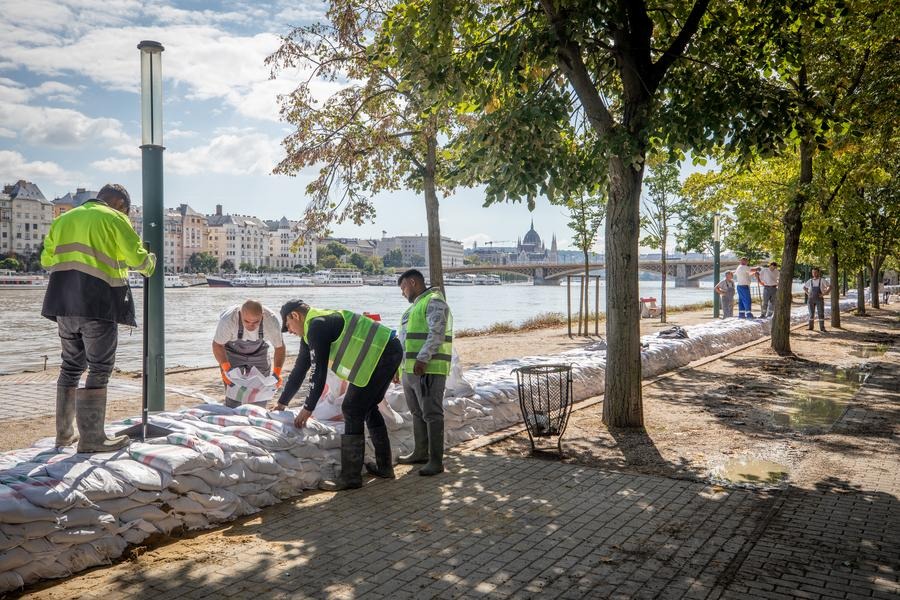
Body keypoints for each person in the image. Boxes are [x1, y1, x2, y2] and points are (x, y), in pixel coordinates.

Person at [40, 184, 156, 453]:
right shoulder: (115, 219)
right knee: (99, 368)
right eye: (126, 211)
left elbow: (47, 259)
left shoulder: (63, 219)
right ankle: (92, 438)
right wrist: (150, 262)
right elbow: (137, 259)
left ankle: (64, 435)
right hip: (97, 304)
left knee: (69, 367)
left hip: (63, 305)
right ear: (120, 204)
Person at [273, 300, 403, 490]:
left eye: (288, 326)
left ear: (295, 316)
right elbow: (300, 369)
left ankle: (351, 477)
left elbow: (318, 374)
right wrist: (282, 402)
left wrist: (308, 408)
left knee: (351, 408)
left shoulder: (317, 326)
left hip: (382, 355)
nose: (290, 331)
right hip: (386, 351)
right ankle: (384, 467)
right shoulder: (312, 330)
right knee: (367, 407)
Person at [395, 269, 453, 476]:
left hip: (427, 369)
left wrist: (423, 358)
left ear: (413, 282)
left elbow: (436, 333)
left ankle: (436, 460)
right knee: (417, 412)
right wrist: (397, 366)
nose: (402, 292)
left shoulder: (434, 301)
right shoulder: (413, 309)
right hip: (410, 370)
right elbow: (404, 340)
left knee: (432, 413)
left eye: (403, 287)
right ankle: (420, 452)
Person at [212, 300, 286, 407]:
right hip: (232, 351)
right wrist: (226, 369)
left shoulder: (271, 320)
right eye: (246, 321)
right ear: (240, 314)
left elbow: (279, 347)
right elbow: (217, 345)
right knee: (234, 397)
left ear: (262, 316)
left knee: (260, 395)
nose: (251, 326)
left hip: (259, 352)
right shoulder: (228, 319)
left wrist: (277, 373)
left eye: (256, 322)